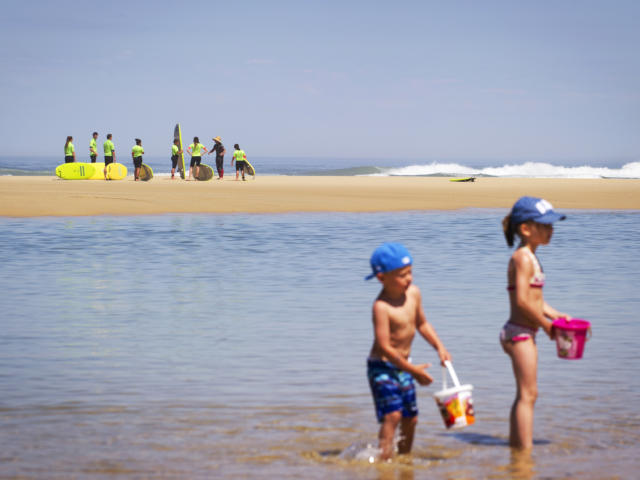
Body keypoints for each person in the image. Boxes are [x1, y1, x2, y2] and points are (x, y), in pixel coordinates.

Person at [366, 242, 451, 460]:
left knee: (410, 418)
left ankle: (404, 460)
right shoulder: (381, 307)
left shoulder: (414, 294)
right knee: (393, 415)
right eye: (402, 275)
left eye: (410, 272)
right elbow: (385, 346)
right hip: (382, 367)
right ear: (382, 278)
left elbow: (422, 324)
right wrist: (413, 371)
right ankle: (384, 461)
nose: (409, 279)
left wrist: (440, 347)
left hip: (405, 365)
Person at [500, 196, 570, 449]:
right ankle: (524, 453)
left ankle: (515, 446)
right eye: (545, 225)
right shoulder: (522, 258)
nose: (551, 230)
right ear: (526, 229)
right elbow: (521, 300)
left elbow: (536, 300)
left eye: (552, 225)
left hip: (526, 331)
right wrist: (546, 324)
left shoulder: (532, 257)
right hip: (518, 333)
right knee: (529, 394)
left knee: (525, 393)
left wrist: (557, 316)